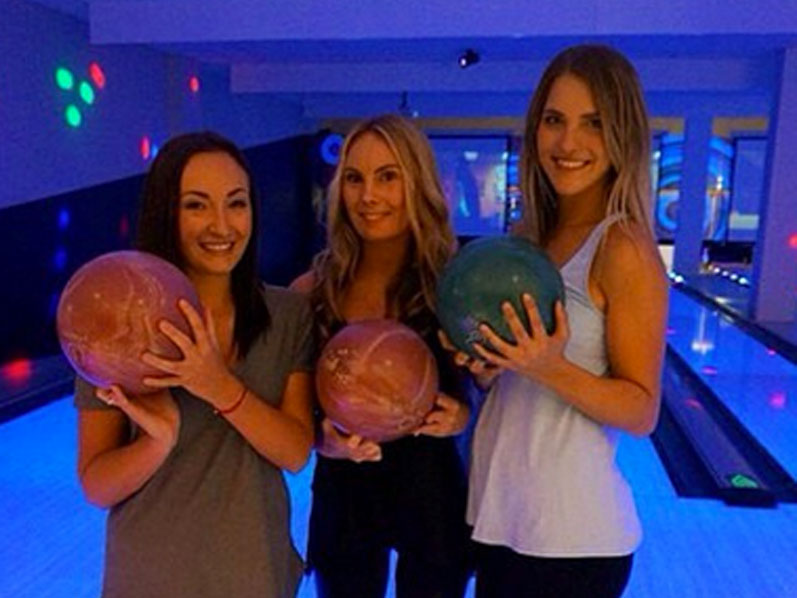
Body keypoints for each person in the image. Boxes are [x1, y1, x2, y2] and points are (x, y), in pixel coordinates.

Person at [456, 44, 668, 598]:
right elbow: (508, 382)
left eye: (593, 123)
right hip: (501, 516)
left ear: (621, 134)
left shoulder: (623, 247)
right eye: (554, 121)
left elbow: (642, 410)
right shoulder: (527, 236)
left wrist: (547, 366)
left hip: (573, 540)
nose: (568, 143)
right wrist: (483, 364)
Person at [74, 131, 315, 598]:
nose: (222, 225)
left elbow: (294, 451)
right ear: (167, 213)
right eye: (197, 205)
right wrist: (157, 441)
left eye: (237, 203)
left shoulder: (288, 315)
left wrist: (218, 385)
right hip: (149, 576)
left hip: (254, 571)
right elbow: (96, 485)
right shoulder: (114, 322)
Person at [290, 114, 473, 598]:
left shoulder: (453, 285)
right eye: (354, 178)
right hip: (344, 495)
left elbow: (496, 388)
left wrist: (462, 416)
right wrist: (323, 440)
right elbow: (292, 414)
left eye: (387, 176)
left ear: (417, 182)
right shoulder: (313, 292)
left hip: (432, 493)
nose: (368, 196)